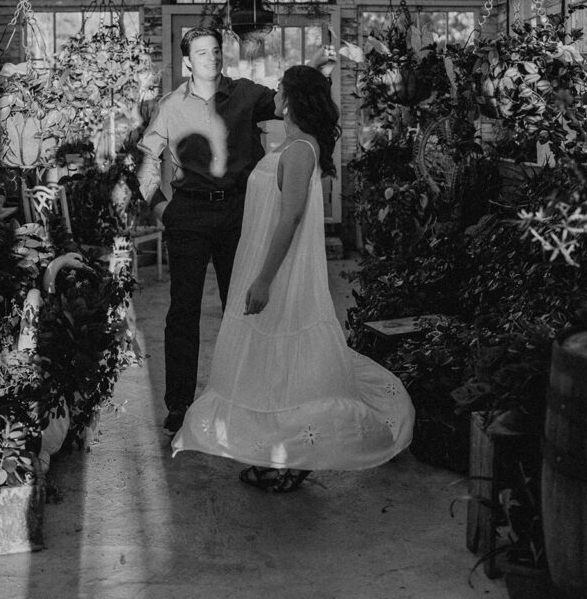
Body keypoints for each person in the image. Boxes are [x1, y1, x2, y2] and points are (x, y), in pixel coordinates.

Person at [172, 65, 414, 492]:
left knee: (286, 362)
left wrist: (264, 279)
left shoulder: (301, 150)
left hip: (280, 271)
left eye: (281, 88)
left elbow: (291, 217)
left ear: (295, 98)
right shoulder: (291, 144)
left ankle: (292, 459)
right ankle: (276, 453)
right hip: (263, 261)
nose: (276, 94)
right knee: (272, 365)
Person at [137, 25, 335, 435]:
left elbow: (294, 98)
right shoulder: (170, 106)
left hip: (237, 218)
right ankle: (179, 406)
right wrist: (160, 207)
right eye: (202, 52)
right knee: (183, 312)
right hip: (187, 216)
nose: (211, 57)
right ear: (187, 61)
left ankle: (243, 398)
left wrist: (317, 66)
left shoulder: (247, 93)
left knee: (242, 309)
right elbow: (145, 161)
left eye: (216, 50)